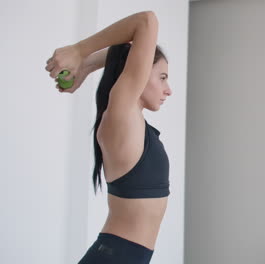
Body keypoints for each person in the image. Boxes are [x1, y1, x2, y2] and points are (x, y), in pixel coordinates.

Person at [45, 11, 172, 264]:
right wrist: (78, 51)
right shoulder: (121, 115)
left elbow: (124, 53)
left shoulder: (127, 117)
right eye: (162, 77)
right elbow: (146, 21)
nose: (168, 89)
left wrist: (87, 64)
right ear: (140, 69)